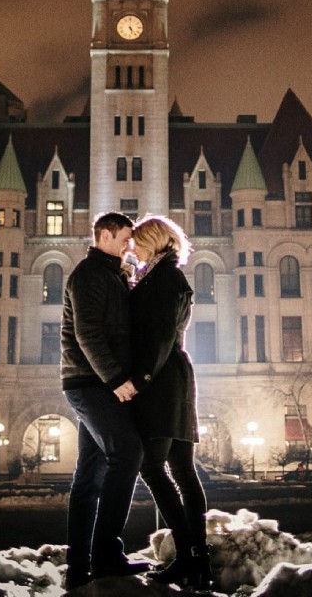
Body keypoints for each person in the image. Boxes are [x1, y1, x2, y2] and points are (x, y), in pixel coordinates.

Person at [61, 211, 149, 590]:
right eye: (127, 238)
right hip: (91, 383)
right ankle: (106, 556)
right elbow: (87, 333)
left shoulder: (112, 274)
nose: (132, 246)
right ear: (107, 235)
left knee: (89, 475)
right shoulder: (89, 274)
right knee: (127, 453)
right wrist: (116, 379)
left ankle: (80, 565)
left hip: (94, 382)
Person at [128, 215, 212, 591]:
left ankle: (188, 555)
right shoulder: (162, 275)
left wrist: (142, 377)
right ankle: (198, 559)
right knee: (182, 469)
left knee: (153, 465)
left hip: (162, 379)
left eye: (138, 241)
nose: (133, 248)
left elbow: (160, 334)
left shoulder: (164, 278)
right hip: (174, 375)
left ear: (155, 241)